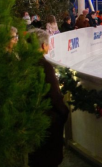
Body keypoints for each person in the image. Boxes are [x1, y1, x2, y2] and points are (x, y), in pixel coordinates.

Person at [27, 29, 69, 167]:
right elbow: (54, 95)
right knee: (48, 157)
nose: (50, 47)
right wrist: (64, 112)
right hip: (47, 120)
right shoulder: (44, 66)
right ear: (43, 45)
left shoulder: (24, 63)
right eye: (48, 44)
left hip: (31, 118)